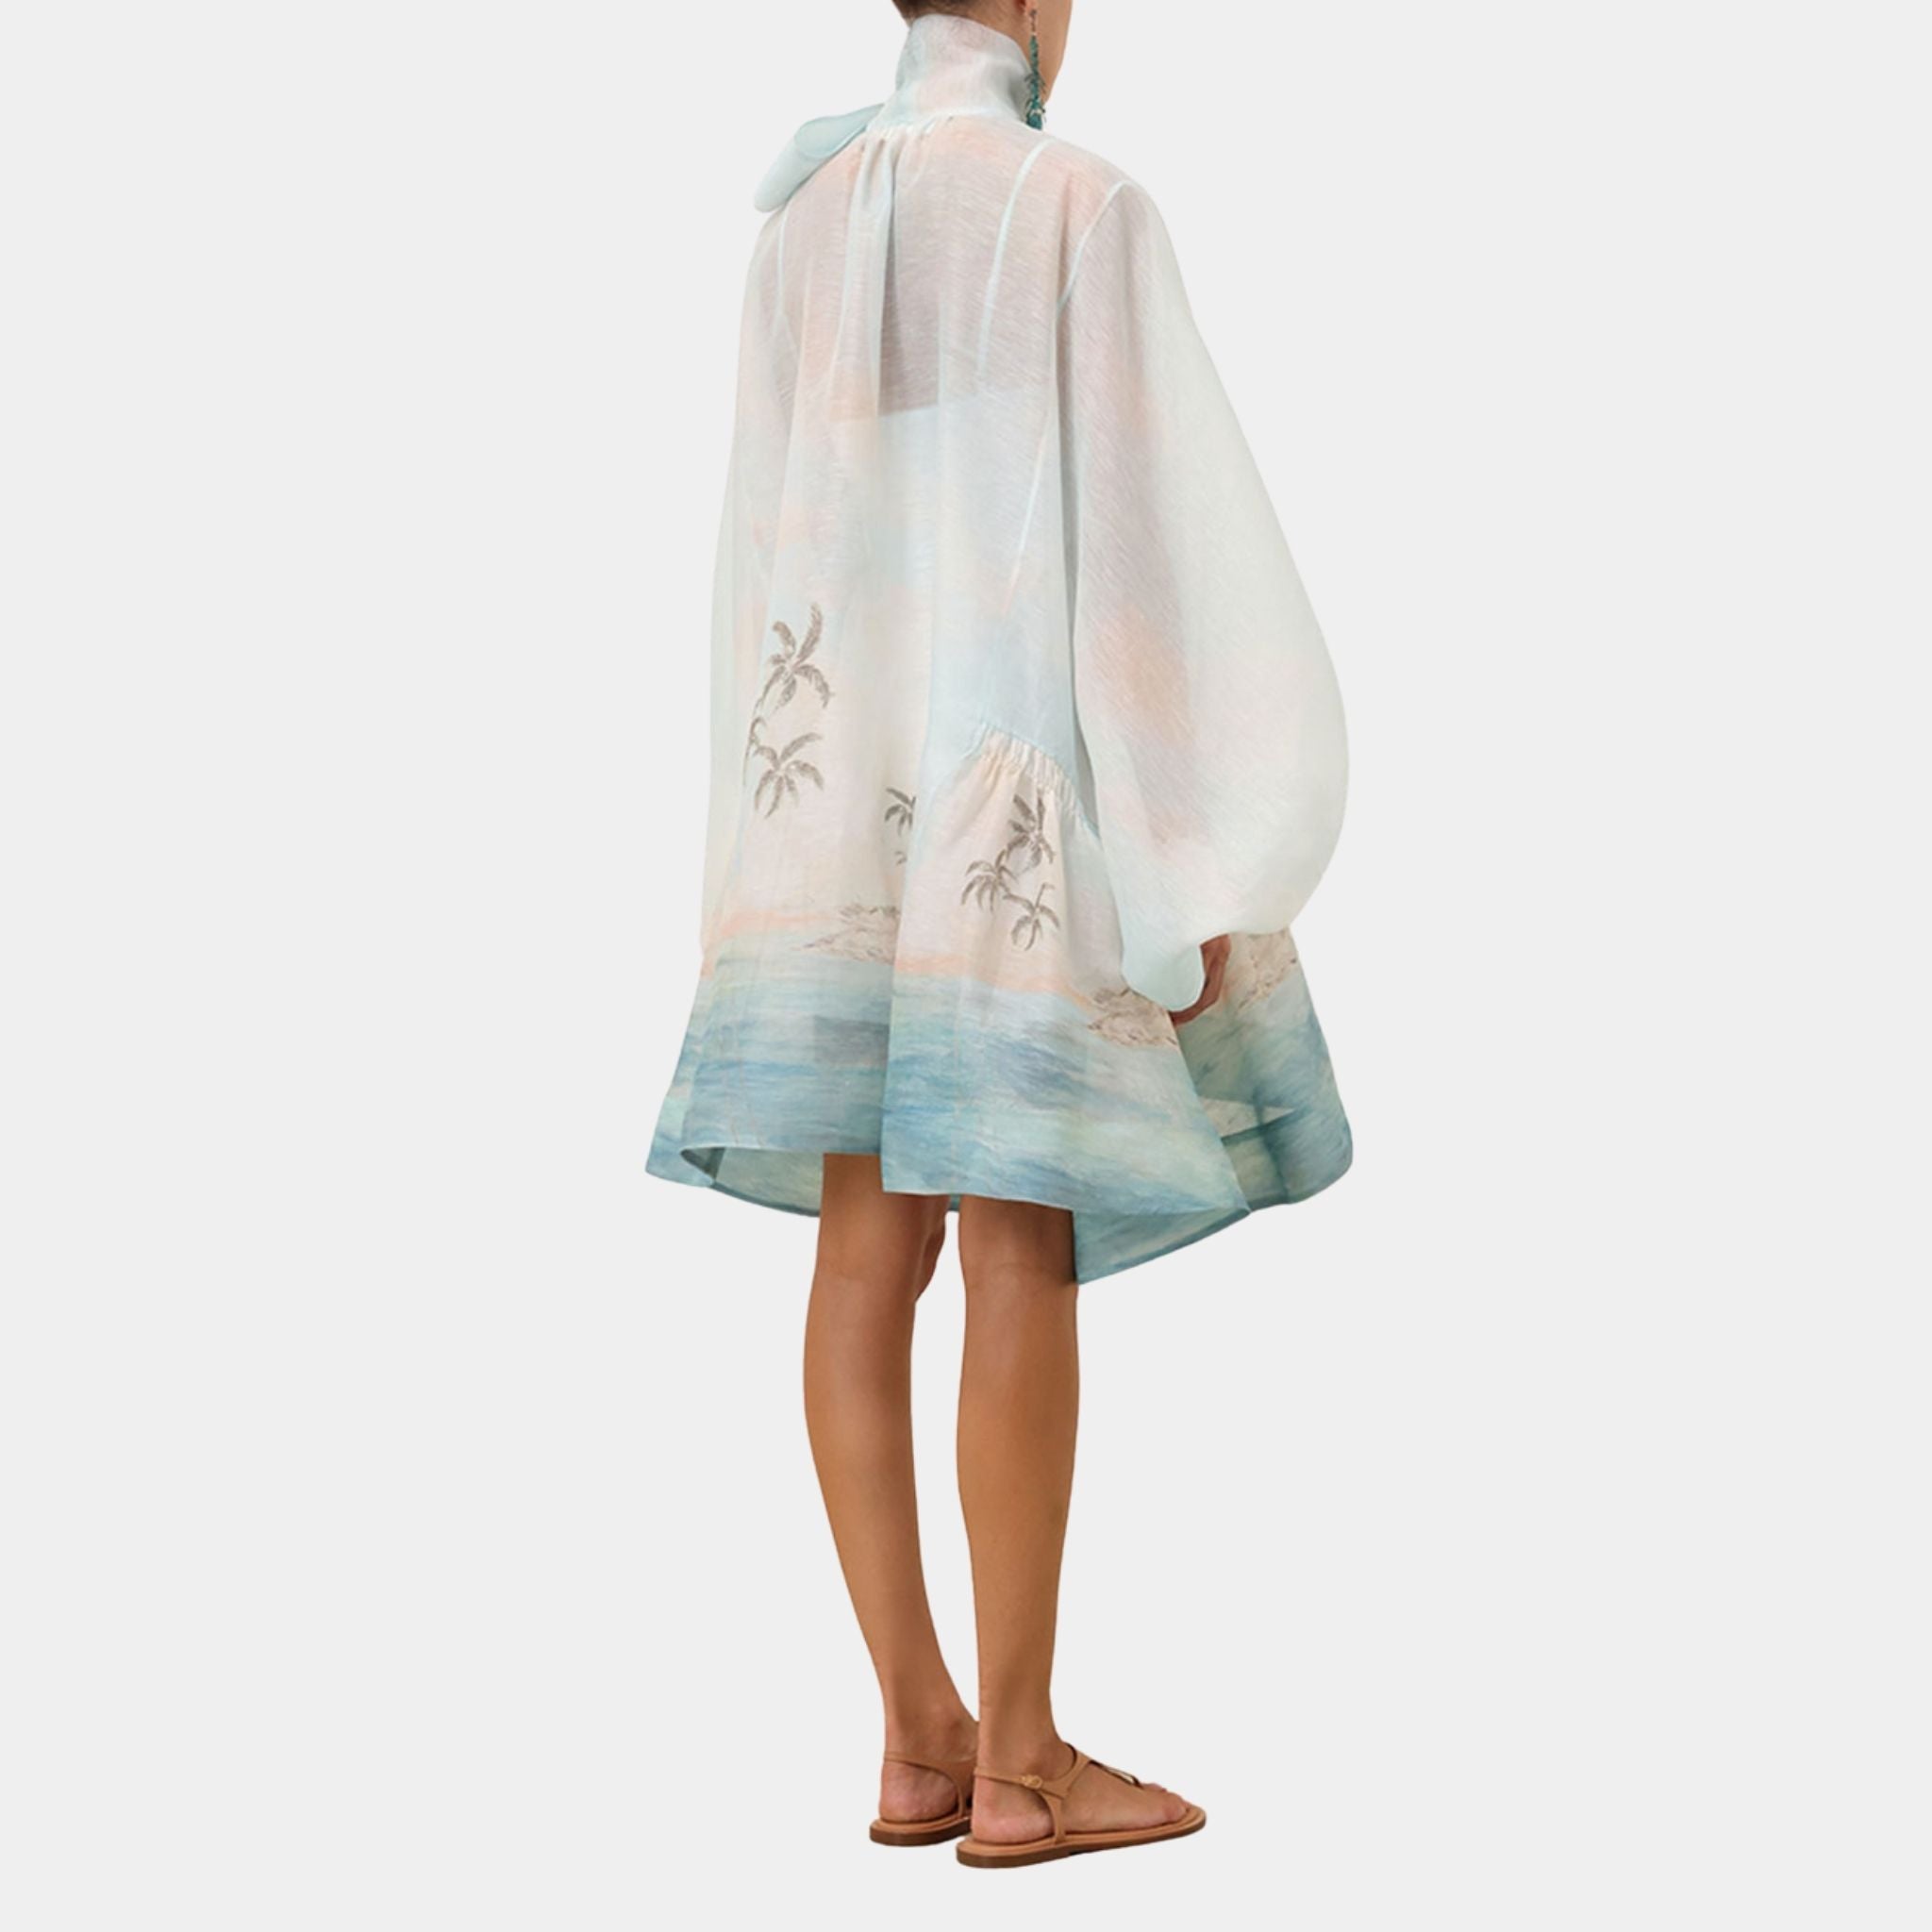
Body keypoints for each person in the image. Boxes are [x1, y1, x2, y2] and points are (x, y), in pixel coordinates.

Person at [648, 0, 1351, 1868]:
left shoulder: (799, 224)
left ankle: (917, 1733)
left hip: (826, 804)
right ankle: (1026, 1763)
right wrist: (1190, 859)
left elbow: (762, 554)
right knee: (1017, 1236)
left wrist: (745, 862)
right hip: (1011, 797)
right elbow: (1140, 565)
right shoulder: (1075, 206)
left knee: (864, 1247)